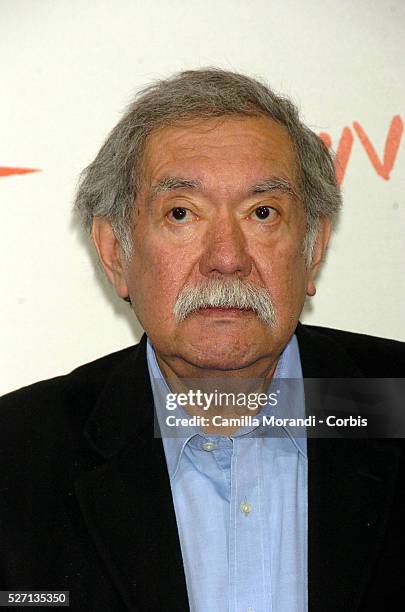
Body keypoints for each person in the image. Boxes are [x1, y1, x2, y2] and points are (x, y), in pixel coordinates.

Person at [0, 68, 404, 612]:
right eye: (182, 213)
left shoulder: (392, 401)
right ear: (116, 252)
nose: (226, 258)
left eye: (263, 213)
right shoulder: (17, 454)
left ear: (312, 250)